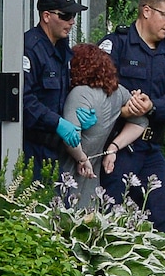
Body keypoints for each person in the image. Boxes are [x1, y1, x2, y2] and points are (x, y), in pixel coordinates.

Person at [98, 0, 165, 245]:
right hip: (118, 148)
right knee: (110, 221)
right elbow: (93, 93)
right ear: (146, 11)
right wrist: (123, 110)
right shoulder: (116, 44)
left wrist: (152, 106)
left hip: (152, 149)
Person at [59, 43, 148, 208]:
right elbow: (141, 122)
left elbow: (70, 138)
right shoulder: (117, 91)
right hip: (93, 175)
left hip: (69, 171)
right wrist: (112, 149)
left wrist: (81, 158)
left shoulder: (80, 93)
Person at [23, 0, 97, 180]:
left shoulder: (61, 47)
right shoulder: (30, 48)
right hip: (31, 148)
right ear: (46, 16)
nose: (72, 22)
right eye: (65, 16)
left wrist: (77, 111)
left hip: (55, 150)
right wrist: (57, 123)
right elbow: (23, 100)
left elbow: (61, 92)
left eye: (74, 16)